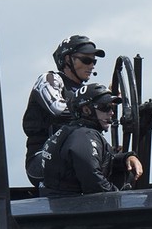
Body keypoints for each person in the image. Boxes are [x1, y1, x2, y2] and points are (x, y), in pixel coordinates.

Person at [22, 34, 103, 185]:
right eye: (86, 60)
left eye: (94, 61)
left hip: (77, 154)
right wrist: (95, 105)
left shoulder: (85, 93)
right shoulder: (50, 80)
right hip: (42, 158)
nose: (91, 65)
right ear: (67, 60)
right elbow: (58, 109)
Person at [40, 83, 143, 197]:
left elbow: (100, 161)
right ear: (86, 110)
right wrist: (120, 198)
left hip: (61, 206)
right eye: (105, 107)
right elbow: (94, 182)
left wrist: (126, 158)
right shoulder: (85, 136)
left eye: (112, 107)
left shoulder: (71, 132)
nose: (111, 113)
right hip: (74, 209)